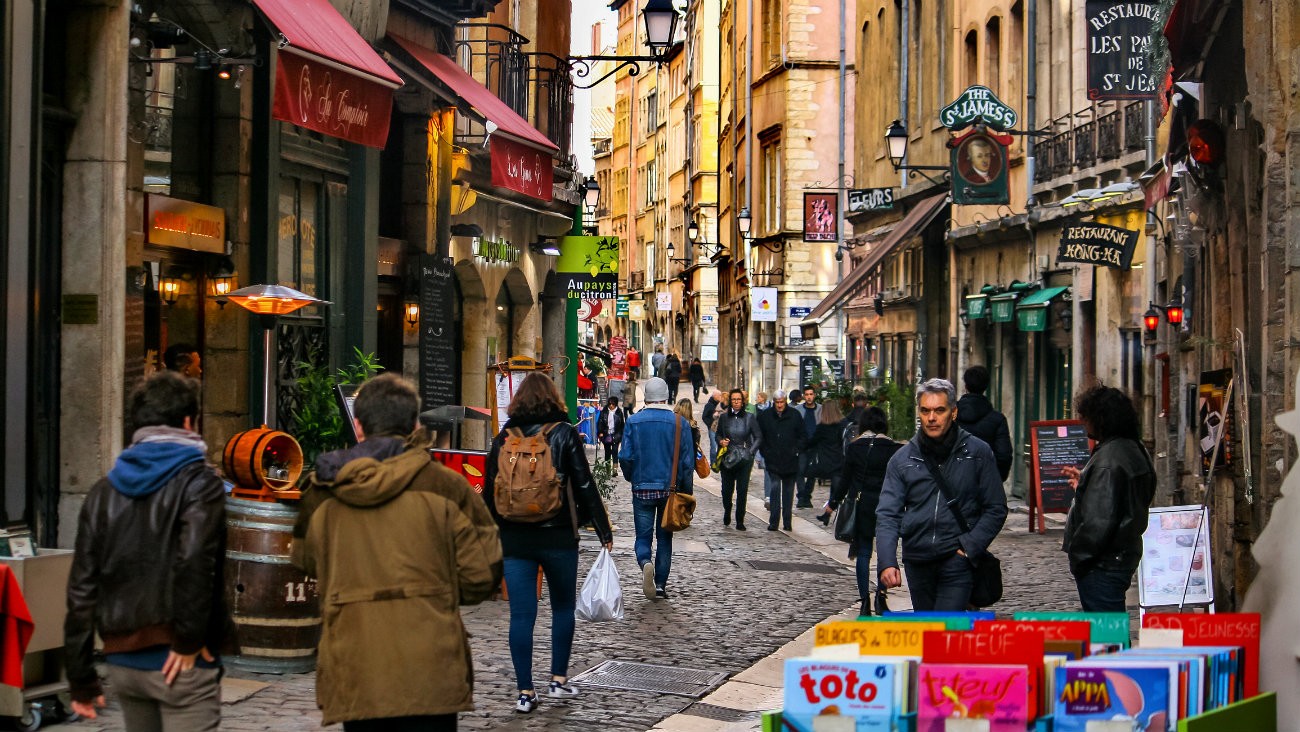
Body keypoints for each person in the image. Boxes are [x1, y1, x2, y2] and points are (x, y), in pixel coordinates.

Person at [292, 373, 502, 730]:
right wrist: (434, 596)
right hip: (429, 665)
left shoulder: (322, 490)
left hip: (357, 663)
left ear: (358, 427)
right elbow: (482, 574)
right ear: (414, 425)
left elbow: (304, 562)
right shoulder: (447, 486)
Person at [65, 371, 235, 730]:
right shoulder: (200, 484)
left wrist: (80, 676)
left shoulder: (102, 492)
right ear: (189, 422)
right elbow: (193, 562)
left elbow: (81, 589)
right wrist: (188, 641)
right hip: (180, 661)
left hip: (124, 662)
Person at [483, 372, 613, 714]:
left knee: (521, 616)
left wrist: (494, 534)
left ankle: (525, 692)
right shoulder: (564, 434)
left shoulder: (503, 438)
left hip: (514, 539)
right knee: (562, 609)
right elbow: (584, 484)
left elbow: (489, 489)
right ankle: (557, 680)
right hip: (558, 536)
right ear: (553, 398)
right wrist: (602, 529)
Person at [876, 378, 1008, 611]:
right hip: (917, 560)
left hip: (956, 559)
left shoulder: (977, 452)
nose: (931, 418)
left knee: (945, 631)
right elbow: (888, 514)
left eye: (939, 410)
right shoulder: (902, 459)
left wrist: (969, 547)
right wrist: (887, 562)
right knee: (929, 636)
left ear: (953, 413)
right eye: (925, 411)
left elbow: (995, 508)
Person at [1061, 384, 1156, 612]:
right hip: (1121, 556)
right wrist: (1086, 483)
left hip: (1104, 561)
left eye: (1086, 417)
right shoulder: (1133, 448)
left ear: (1101, 418)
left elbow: (1099, 521)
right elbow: (1122, 498)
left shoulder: (1109, 459)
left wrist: (1079, 557)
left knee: (1107, 634)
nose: (1083, 423)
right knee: (1111, 630)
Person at [619, 377, 694, 600]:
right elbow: (687, 463)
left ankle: (645, 563)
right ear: (666, 397)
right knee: (665, 538)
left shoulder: (633, 421)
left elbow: (625, 456)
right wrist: (686, 493)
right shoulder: (680, 423)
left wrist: (632, 477)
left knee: (642, 537)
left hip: (642, 488)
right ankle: (660, 585)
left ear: (647, 397)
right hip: (669, 490)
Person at [823, 407, 902, 617]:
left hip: (862, 506)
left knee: (864, 554)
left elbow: (845, 479)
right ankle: (880, 596)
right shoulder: (893, 449)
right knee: (885, 553)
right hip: (886, 506)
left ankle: (865, 601)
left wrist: (833, 503)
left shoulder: (855, 447)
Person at [758, 390, 806, 532]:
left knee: (788, 492)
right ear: (774, 402)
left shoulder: (794, 415)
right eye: (777, 402)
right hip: (773, 459)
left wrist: (796, 450)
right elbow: (761, 436)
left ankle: (787, 520)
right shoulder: (766, 416)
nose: (779, 405)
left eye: (782, 402)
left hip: (790, 459)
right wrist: (766, 452)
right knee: (774, 490)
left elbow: (802, 435)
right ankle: (774, 520)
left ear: (785, 401)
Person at [955, 365, 1014, 482]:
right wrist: (995, 479)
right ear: (985, 387)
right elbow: (1004, 456)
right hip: (986, 481)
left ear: (966, 386)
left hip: (955, 481)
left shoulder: (951, 416)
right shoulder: (998, 419)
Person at [715, 388, 762, 531]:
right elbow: (717, 434)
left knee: (742, 490)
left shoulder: (749, 418)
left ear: (743, 402)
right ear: (730, 401)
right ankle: (727, 510)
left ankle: (740, 519)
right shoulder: (724, 418)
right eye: (734, 399)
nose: (736, 402)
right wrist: (721, 441)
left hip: (744, 458)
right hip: (728, 458)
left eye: (739, 400)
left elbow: (758, 437)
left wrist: (750, 452)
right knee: (726, 490)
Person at [805, 400, 848, 518]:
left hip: (826, 461)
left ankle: (828, 514)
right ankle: (830, 512)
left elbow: (812, 442)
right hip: (840, 460)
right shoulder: (843, 424)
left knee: (834, 489)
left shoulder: (822, 427)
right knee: (836, 489)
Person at [793, 386, 823, 508]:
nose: (809, 397)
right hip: (802, 446)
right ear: (804, 396)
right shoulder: (798, 409)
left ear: (814, 395)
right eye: (807, 394)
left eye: (811, 394)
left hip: (816, 445)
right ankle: (801, 496)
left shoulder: (820, 409)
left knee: (812, 473)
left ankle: (807, 496)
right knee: (799, 471)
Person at [674, 398, 703, 488]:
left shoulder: (672, 423)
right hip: (688, 462)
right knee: (686, 492)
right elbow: (696, 444)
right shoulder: (693, 427)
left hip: (673, 461)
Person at [596, 395, 626, 463]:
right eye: (610, 404)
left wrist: (622, 434)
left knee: (615, 452)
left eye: (613, 404)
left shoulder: (619, 412)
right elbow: (600, 422)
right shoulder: (604, 412)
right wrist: (600, 432)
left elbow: (622, 424)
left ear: (616, 404)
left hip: (616, 435)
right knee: (607, 452)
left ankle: (615, 470)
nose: (611, 406)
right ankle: (608, 469)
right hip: (606, 434)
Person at [701, 389, 725, 465]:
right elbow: (704, 417)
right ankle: (713, 462)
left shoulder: (721, 404)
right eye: (719, 395)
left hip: (721, 428)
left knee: (720, 444)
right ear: (715, 396)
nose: (721, 397)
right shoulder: (709, 405)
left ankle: (720, 460)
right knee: (714, 445)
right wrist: (711, 424)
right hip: (712, 428)